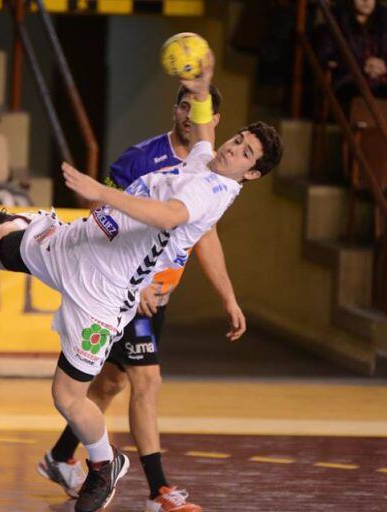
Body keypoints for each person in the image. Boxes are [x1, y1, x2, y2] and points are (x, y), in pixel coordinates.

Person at [0, 54, 283, 512]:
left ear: (251, 174)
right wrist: (202, 85)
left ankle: (103, 464)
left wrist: (102, 193)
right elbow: (206, 131)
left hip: (102, 298)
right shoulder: (208, 162)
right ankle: (22, 220)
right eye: (237, 140)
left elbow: (167, 214)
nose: (233, 149)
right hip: (79, 245)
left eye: (245, 154)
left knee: (67, 395)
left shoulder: (207, 192)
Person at [38, 84, 243, 512]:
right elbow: (101, 214)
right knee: (147, 381)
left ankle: (60, 457)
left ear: (213, 120)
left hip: (156, 299)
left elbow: (206, 235)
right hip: (122, 291)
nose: (189, 113)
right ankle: (160, 492)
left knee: (111, 381)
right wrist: (140, 282)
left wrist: (227, 296)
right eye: (182, 105)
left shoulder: (213, 173)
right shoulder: (141, 159)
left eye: (197, 107)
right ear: (173, 110)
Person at [316, 0, 387, 109]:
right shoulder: (335, 21)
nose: (366, 1)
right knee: (357, 101)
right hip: (350, 83)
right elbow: (326, 56)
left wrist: (386, 65)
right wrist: (364, 65)